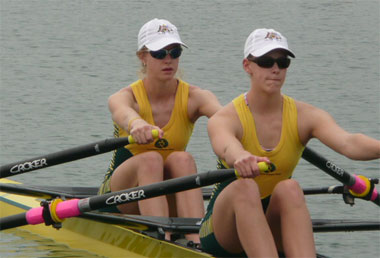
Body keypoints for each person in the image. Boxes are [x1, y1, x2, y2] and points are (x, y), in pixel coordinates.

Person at [199, 28, 380, 257]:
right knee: (245, 187)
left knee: (290, 188)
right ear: (248, 66)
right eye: (266, 61)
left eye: (282, 62)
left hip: (272, 220)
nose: (275, 69)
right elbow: (225, 146)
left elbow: (349, 143)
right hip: (223, 231)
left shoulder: (305, 116)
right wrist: (240, 157)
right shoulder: (226, 117)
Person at [98, 18, 222, 243]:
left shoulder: (196, 97)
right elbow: (121, 111)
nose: (168, 60)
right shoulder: (127, 97)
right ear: (142, 56)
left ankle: (195, 241)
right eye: (159, 53)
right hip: (120, 197)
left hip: (166, 194)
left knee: (183, 159)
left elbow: (228, 119)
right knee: (150, 159)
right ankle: (161, 239)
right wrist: (137, 124)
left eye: (174, 52)